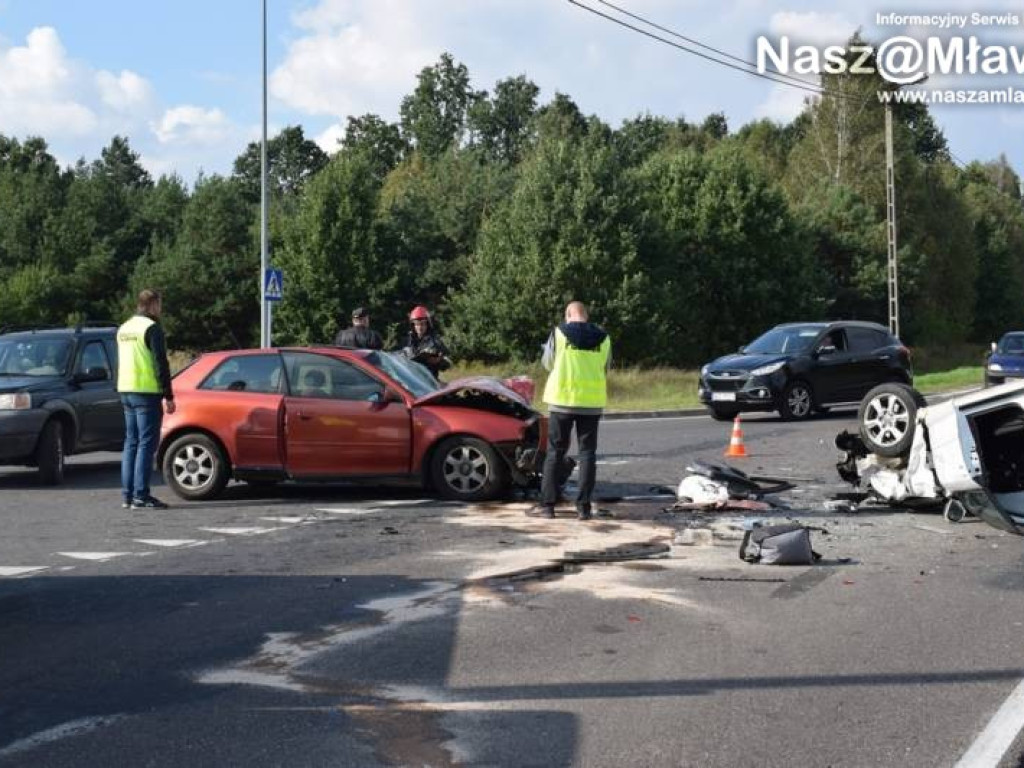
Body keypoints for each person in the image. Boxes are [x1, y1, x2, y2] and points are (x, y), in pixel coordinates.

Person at [532, 301, 611, 521]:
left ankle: (548, 506)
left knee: (555, 452)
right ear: (586, 316)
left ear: (568, 315)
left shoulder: (558, 333)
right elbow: (606, 366)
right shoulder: (603, 337)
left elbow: (548, 363)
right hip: (591, 403)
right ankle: (583, 507)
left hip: (562, 400)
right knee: (587, 454)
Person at [117, 289, 175, 510]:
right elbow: (161, 363)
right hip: (146, 392)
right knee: (146, 444)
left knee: (130, 443)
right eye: (159, 305)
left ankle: (127, 495)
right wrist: (168, 395)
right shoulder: (152, 329)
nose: (160, 309)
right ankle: (141, 495)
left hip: (126, 390)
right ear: (152, 305)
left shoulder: (124, 328)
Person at [402, 305, 451, 379]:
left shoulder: (435, 341)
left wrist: (438, 361)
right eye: (417, 324)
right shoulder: (408, 340)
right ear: (413, 326)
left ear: (427, 324)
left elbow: (448, 362)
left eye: (422, 324)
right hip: (411, 379)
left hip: (428, 381)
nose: (420, 327)